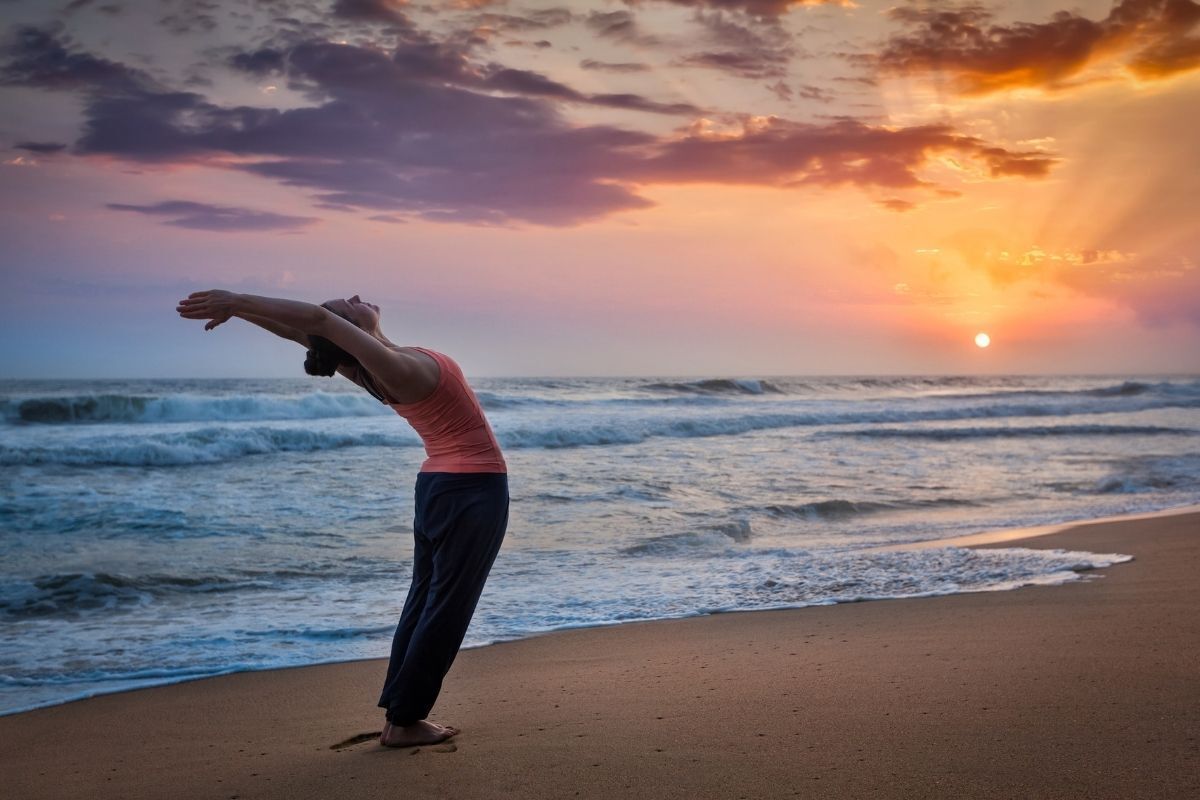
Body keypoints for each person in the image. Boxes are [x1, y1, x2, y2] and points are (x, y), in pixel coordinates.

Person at [176, 290, 509, 748]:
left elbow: (305, 332)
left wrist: (242, 313)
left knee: (424, 602)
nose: (355, 295)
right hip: (471, 491)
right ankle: (406, 720)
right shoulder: (394, 368)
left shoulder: (375, 366)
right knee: (445, 608)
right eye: (345, 304)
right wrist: (237, 298)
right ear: (349, 329)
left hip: (439, 489)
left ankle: (401, 712)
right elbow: (316, 323)